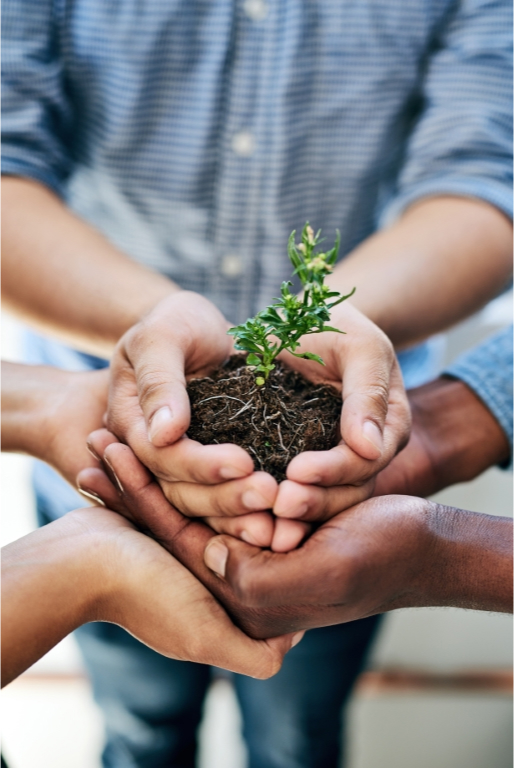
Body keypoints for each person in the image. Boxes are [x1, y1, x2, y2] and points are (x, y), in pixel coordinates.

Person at [2, 1, 512, 766]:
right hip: (108, 440)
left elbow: (483, 174)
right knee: (141, 726)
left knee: (298, 736)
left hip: (343, 473)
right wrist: (151, 336)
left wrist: (329, 322)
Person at [79, 327, 512, 633]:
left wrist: (435, 553)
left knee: (297, 736)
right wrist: (154, 321)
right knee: (146, 718)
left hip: (344, 545)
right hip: (121, 524)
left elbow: (488, 201)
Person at [1, 360, 303, 688]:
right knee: (144, 724)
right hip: (92, 516)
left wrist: (55, 405)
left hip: (294, 567)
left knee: (293, 731)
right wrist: (90, 571)